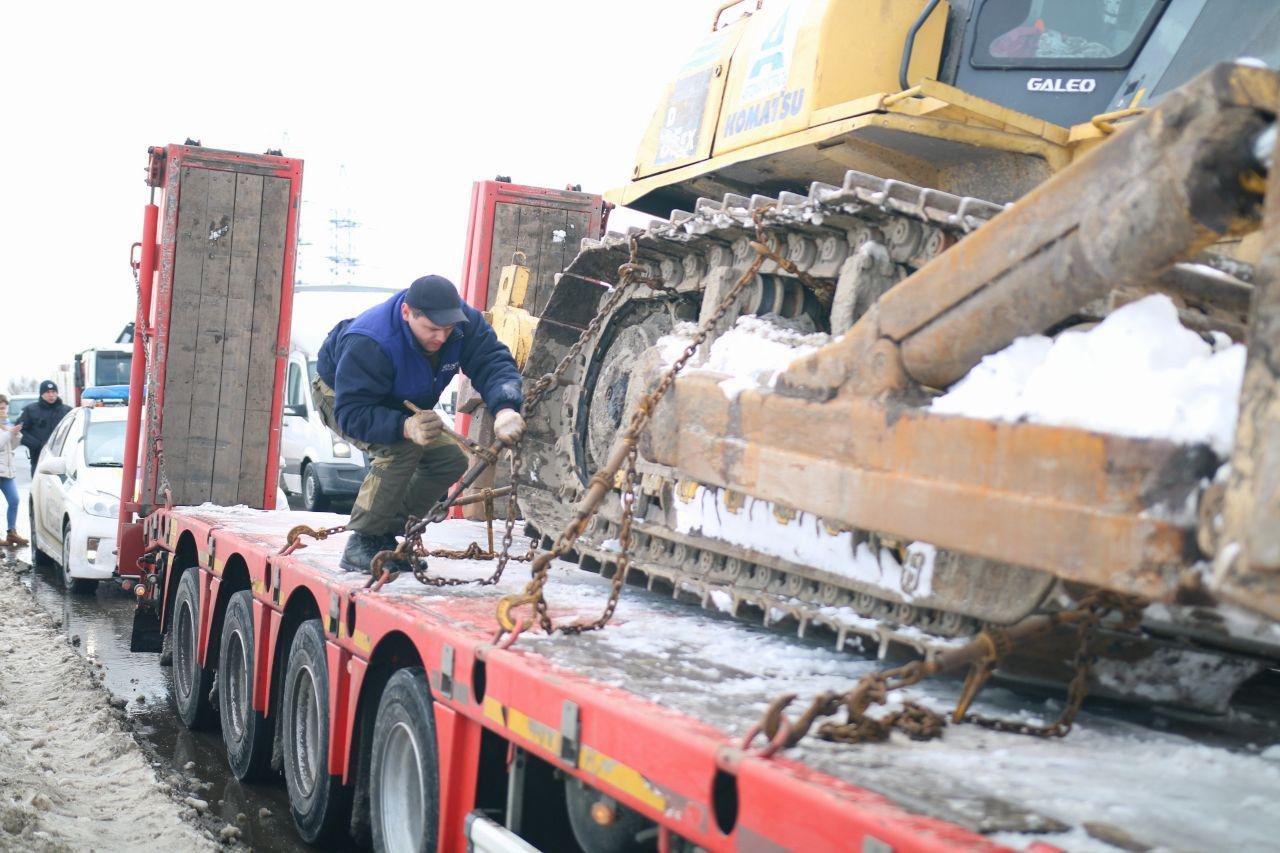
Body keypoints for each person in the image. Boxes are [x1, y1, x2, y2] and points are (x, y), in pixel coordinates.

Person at [315, 274, 526, 573]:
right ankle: (363, 541)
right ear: (406, 313)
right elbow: (352, 413)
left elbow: (493, 362)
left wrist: (505, 408)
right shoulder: (370, 340)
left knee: (449, 460)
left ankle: (387, 533)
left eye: (447, 329)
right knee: (402, 449)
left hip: (400, 401)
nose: (441, 338)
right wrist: (404, 427)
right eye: (432, 329)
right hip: (342, 395)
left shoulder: (463, 324)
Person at [16, 381, 71, 477]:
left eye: (53, 392)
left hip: (62, 457)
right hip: (38, 458)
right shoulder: (30, 410)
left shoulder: (67, 410)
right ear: (42, 394)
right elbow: (19, 430)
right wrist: (36, 445)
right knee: (39, 488)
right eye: (47, 392)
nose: (51, 395)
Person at [0, 396, 27, 548]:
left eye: (4, 408)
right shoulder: (5, 428)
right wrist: (10, 432)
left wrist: (16, 434)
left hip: (7, 471)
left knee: (14, 500)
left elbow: (12, 446)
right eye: (0, 408)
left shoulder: (6, 424)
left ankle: (11, 532)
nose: (3, 411)